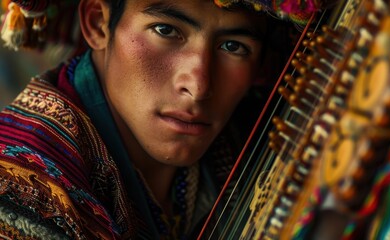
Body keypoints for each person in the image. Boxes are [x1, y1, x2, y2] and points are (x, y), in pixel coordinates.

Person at [0, 0, 320, 239]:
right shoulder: (20, 195)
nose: (198, 86)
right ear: (98, 24)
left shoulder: (255, 133)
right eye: (166, 30)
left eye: (233, 46)